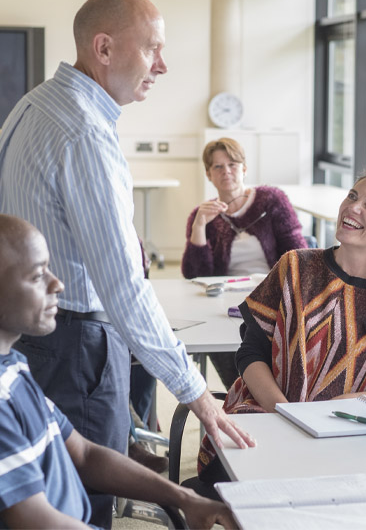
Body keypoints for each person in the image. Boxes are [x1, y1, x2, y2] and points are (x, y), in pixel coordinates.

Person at [0, 0, 255, 527]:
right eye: (152, 50)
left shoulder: (33, 104)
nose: (162, 66)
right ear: (105, 48)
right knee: (79, 507)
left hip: (35, 339)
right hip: (76, 350)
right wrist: (196, 396)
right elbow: (124, 287)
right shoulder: (85, 133)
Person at [197, 169, 366, 482]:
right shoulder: (294, 266)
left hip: (350, 434)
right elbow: (251, 352)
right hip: (263, 419)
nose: (353, 207)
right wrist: (286, 413)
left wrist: (336, 408)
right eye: (352, 196)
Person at [0, 214, 235, 530]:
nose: (58, 284)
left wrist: (186, 498)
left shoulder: (13, 368)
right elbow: (33, 520)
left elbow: (83, 454)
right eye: (38, 275)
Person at [181, 137, 307, 388]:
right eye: (217, 167)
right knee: (220, 340)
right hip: (227, 302)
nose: (226, 171)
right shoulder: (201, 214)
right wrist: (199, 226)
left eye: (233, 164)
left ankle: (262, 391)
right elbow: (195, 275)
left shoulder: (271, 200)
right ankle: (243, 391)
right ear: (208, 174)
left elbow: (299, 254)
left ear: (244, 168)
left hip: (272, 294)